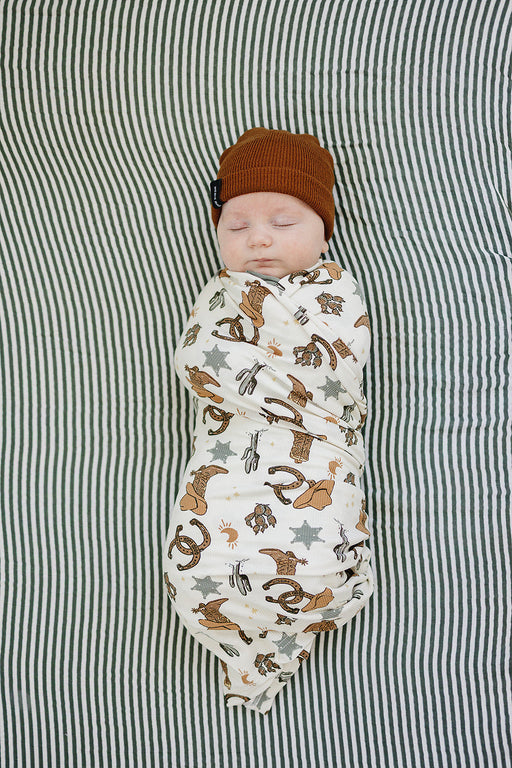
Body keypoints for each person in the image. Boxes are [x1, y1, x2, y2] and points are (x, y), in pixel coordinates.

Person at [164, 128, 373, 714]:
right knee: (199, 561)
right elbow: (199, 357)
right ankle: (238, 642)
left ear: (324, 232)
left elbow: (336, 364)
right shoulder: (221, 295)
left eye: (283, 223)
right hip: (230, 456)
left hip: (312, 445)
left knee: (318, 546)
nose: (258, 239)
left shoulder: (334, 293)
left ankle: (305, 603)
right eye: (236, 227)